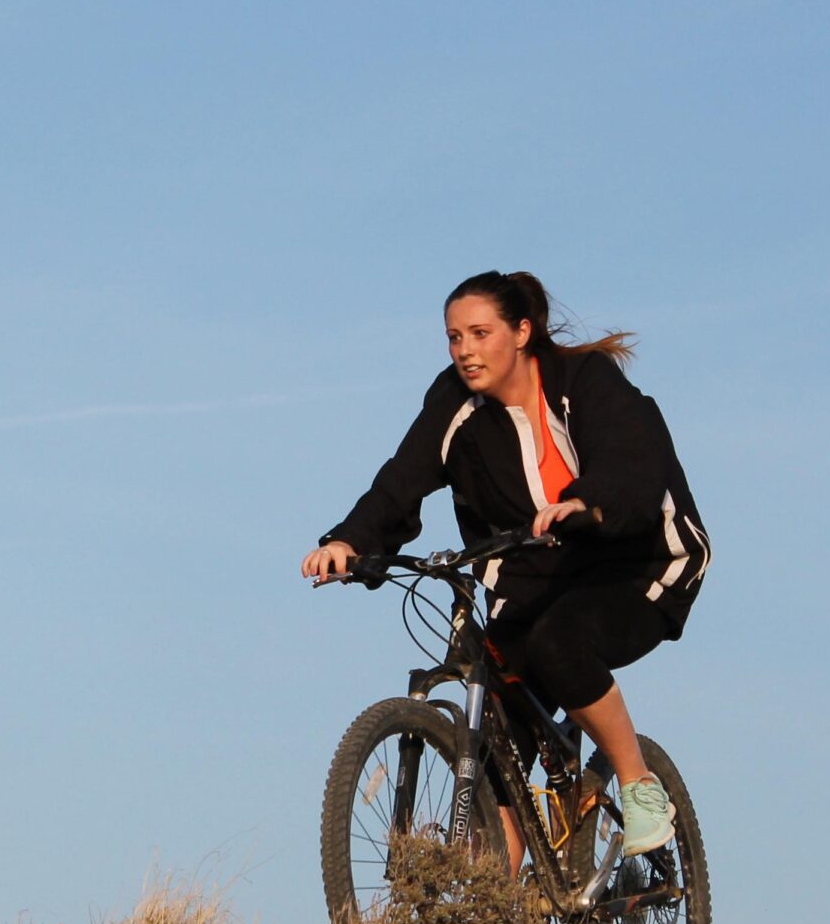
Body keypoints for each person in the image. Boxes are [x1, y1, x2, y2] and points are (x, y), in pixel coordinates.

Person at [302, 269, 709, 860]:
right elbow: (400, 480)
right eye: (453, 337)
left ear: (521, 332)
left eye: (479, 333)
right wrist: (348, 540)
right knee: (496, 726)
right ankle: (495, 914)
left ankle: (638, 783)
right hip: (535, 579)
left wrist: (585, 502)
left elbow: (634, 463)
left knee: (557, 644)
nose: (465, 350)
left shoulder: (584, 383)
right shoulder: (454, 405)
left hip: (640, 561)